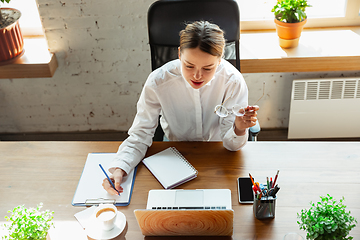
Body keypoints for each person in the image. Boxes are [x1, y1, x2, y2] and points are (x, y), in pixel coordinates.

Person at [103, 21, 259, 195]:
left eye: (208, 68)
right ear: (179, 54)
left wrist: (238, 128)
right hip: (174, 158)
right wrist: (120, 167)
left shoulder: (232, 82)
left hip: (217, 157)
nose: (197, 75)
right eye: (189, 65)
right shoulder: (158, 81)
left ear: (220, 59)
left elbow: (231, 145)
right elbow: (140, 134)